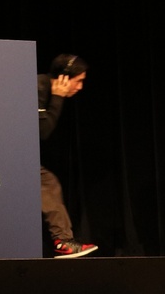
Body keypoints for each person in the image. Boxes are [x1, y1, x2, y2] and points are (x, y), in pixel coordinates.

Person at [38, 53, 98, 258]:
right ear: (63, 77)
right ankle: (63, 242)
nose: (80, 87)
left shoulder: (44, 87)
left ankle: (63, 242)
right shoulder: (39, 86)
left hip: (20, 156)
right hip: (6, 155)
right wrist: (57, 98)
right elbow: (42, 131)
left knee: (49, 183)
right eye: (78, 81)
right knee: (48, 183)